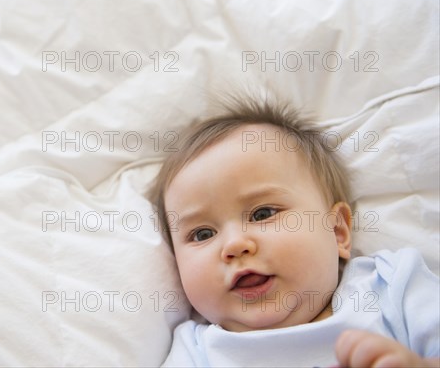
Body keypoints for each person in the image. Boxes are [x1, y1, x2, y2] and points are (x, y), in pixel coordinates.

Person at [148, 97, 440, 367]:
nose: (235, 245)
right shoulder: (197, 351)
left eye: (262, 214)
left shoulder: (389, 285)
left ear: (337, 231)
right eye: (202, 234)